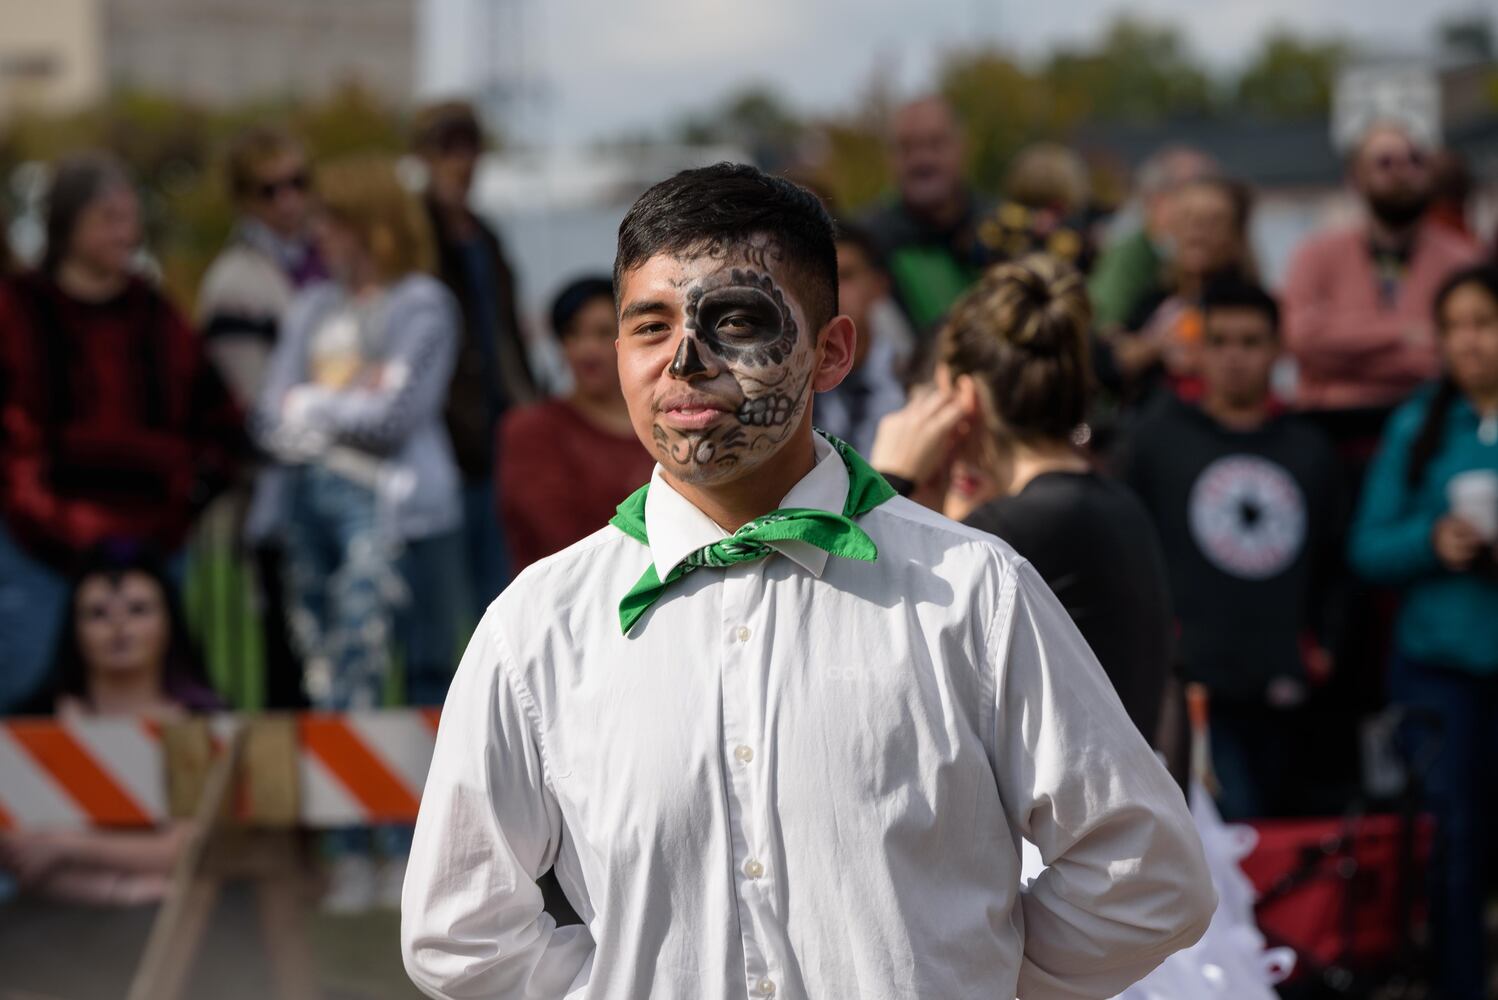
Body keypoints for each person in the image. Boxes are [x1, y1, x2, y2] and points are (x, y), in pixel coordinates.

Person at [402, 163, 1214, 999]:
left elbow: (1145, 873)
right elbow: (459, 930)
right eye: (650, 326)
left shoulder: (972, 592)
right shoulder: (538, 626)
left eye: (737, 321)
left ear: (831, 352)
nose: (685, 360)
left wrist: (981, 975)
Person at [252, 155, 465, 911]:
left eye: (331, 221)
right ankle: (351, 854)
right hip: (316, 516)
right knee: (339, 680)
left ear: (368, 223)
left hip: (409, 516)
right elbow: (268, 415)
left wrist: (312, 404)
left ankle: (423, 855)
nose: (319, 235)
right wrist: (335, 400)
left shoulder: (422, 302)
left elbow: (397, 415)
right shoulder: (312, 306)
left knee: (426, 679)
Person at [868, 255, 1174, 744]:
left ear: (961, 393)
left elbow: (855, 627)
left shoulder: (1007, 530)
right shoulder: (1113, 504)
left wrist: (890, 479)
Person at [0, 152, 245, 715]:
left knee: (164, 699)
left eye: (131, 218)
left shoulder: (155, 315)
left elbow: (217, 416)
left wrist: (194, 488)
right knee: (28, 696)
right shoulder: (19, 310)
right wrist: (29, 500)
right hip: (39, 544)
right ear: (69, 225)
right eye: (109, 218)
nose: (126, 233)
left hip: (150, 542)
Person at [1116, 280, 1344, 820]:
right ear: (1199, 351)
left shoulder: (1310, 448)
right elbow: (1125, 549)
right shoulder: (1154, 438)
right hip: (1191, 687)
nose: (1234, 357)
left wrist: (1327, 644)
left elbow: (1337, 561)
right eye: (1219, 342)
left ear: (1277, 349)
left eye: (1250, 342)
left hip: (1285, 688)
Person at [1348, 265, 1498, 1000]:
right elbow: (1368, 547)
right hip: (1439, 667)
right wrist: (1430, 544)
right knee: (1452, 846)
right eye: (1457, 326)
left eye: (1486, 322)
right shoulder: (1421, 424)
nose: (1472, 342)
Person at [0, 547, 215, 906]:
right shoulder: (36, 720)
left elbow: (192, 847)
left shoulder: (197, 722)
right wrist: (121, 889)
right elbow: (17, 853)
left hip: (175, 926)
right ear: (74, 629)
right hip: (49, 925)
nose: (119, 625)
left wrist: (66, 846)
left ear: (169, 622)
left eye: (138, 610)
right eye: (98, 613)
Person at [195, 123, 324, 711]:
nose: (289, 199)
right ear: (246, 200)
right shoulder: (235, 282)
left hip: (335, 482)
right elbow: (252, 406)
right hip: (279, 490)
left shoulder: (323, 258)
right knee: (288, 664)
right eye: (270, 189)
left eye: (298, 182)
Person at [1283, 123, 1479, 450]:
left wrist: (1346, 350)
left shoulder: (1462, 260)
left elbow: (1459, 355)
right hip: (1333, 431)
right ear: (1354, 179)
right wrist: (1406, 335)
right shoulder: (1313, 255)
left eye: (1415, 161)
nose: (1402, 172)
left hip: (1435, 427)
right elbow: (1303, 340)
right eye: (1385, 163)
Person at [413, 100, 538, 608]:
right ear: (423, 156)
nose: (461, 163)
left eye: (468, 148)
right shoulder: (418, 235)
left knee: (500, 596)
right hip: (442, 445)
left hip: (498, 437)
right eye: (447, 149)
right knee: (441, 609)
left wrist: (528, 406)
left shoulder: (485, 236)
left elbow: (506, 338)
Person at [498, 276, 655, 574]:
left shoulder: (667, 423)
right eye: (572, 334)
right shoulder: (533, 430)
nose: (587, 350)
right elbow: (559, 539)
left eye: (603, 333)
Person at [1101, 176, 1256, 407]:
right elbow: (1110, 360)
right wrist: (1150, 347)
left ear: (1235, 235)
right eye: (1187, 220)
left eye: (1211, 222)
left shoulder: (1249, 306)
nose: (1197, 232)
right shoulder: (1153, 299)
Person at [862, 96, 994, 338]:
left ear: (962, 147)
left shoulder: (1000, 227)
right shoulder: (867, 245)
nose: (922, 159)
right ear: (890, 158)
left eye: (936, 144)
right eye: (907, 147)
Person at [1088, 146, 1218, 333]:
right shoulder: (1132, 254)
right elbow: (1104, 324)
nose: (1200, 205)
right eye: (1187, 193)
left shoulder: (1170, 252)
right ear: (1156, 200)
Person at [813, 224, 908, 456]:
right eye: (821, 278)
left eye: (845, 276)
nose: (832, 290)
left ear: (879, 285)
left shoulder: (915, 377)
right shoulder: (795, 386)